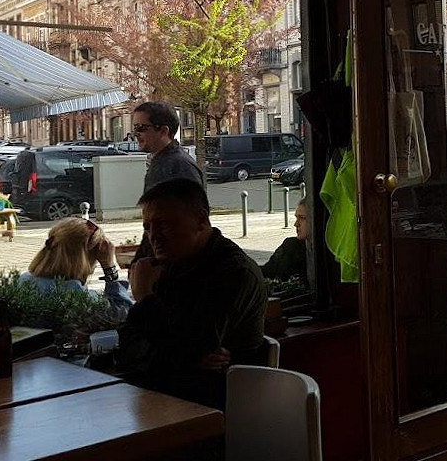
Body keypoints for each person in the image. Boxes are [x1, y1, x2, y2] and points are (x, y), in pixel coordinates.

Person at [117, 178, 267, 410]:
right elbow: (128, 340)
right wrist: (179, 357)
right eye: (147, 227)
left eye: (164, 224)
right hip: (165, 399)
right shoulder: (170, 264)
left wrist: (145, 297)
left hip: (217, 410)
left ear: (201, 220)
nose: (153, 236)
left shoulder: (233, 272)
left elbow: (194, 345)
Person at [130, 101, 203, 263]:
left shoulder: (178, 166)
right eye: (134, 128)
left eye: (141, 128)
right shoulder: (162, 162)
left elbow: (189, 225)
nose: (135, 134)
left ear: (164, 131)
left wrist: (148, 262)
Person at [19, 217, 132, 315]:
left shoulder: (23, 280)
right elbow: (123, 312)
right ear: (85, 257)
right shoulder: (76, 294)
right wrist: (109, 267)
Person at [261, 199, 309, 280]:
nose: (296, 224)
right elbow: (267, 271)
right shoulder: (290, 246)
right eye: (297, 218)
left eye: (302, 218)